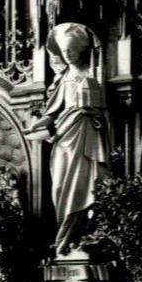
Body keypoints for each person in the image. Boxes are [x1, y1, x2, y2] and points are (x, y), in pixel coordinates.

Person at [25, 23, 110, 257]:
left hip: (87, 134)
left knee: (86, 186)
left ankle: (75, 240)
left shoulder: (93, 74)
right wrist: (37, 124)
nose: (68, 55)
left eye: (71, 50)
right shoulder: (63, 78)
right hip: (64, 136)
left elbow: (104, 110)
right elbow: (51, 113)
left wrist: (91, 111)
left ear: (81, 50)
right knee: (60, 186)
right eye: (64, 51)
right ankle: (64, 239)